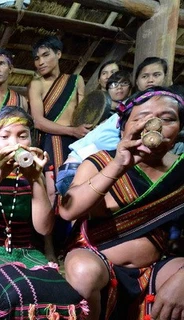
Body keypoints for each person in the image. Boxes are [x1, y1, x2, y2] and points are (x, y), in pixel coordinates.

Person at [60, 87, 184, 320]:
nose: (153, 125)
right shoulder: (101, 161)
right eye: (141, 118)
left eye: (167, 119)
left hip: (157, 265)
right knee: (83, 272)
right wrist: (119, 166)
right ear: (124, 126)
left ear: (180, 128)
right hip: (96, 258)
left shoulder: (181, 171)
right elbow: (68, 211)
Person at [0, 106, 88, 319]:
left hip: (27, 252)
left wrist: (35, 179)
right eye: (5, 136)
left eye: (23, 136)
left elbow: (44, 227)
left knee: (63, 296)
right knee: (16, 293)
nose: (15, 144)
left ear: (32, 140)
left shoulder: (35, 174)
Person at [56, 58, 167, 196]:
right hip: (75, 171)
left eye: (156, 75)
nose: (150, 80)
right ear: (137, 82)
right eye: (145, 76)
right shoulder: (128, 111)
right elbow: (102, 141)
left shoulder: (132, 110)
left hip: (83, 168)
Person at [28, 35, 90, 261]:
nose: (40, 62)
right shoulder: (36, 84)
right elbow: (38, 121)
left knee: (77, 191)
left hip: (76, 143)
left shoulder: (76, 80)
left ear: (59, 54)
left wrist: (82, 131)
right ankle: (49, 248)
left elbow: (84, 112)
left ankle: (75, 245)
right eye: (36, 58)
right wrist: (72, 130)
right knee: (51, 193)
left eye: (45, 55)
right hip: (50, 142)